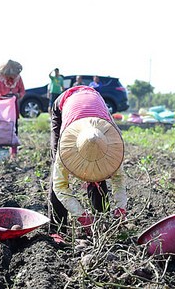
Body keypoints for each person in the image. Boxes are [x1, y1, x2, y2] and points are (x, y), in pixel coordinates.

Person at [48, 85, 127, 233]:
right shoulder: (65, 148)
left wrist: (121, 208)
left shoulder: (112, 143)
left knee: (99, 170)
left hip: (94, 102)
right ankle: (57, 229)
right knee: (56, 170)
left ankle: (101, 218)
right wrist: (81, 216)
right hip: (65, 103)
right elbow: (60, 186)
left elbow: (119, 179)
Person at [0, 60, 25, 157]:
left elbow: (22, 92)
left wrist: (17, 95)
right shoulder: (0, 80)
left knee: (14, 127)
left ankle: (14, 152)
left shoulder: (18, 79)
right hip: (2, 106)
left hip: (14, 105)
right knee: (1, 127)